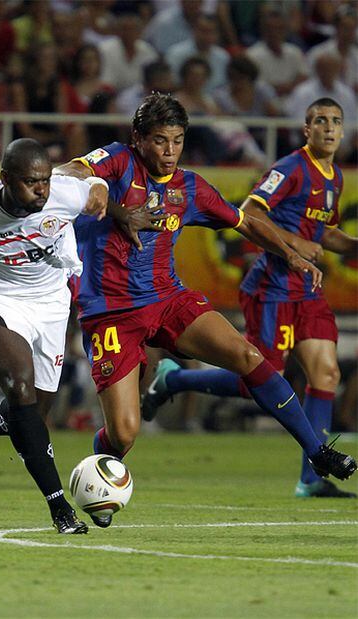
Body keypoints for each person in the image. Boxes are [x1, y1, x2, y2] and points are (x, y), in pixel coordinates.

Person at [54, 93, 356, 526]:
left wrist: (289, 254)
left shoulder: (188, 188)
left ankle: (317, 451)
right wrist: (106, 198)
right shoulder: (118, 162)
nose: (170, 151)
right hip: (110, 310)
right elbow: (66, 172)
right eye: (160, 141)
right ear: (138, 139)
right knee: (124, 433)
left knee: (249, 357)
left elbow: (245, 221)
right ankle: (98, 480)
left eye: (177, 141)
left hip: (167, 298)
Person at [142, 97, 357, 499]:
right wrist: (293, 244)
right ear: (306, 130)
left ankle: (311, 477)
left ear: (343, 131)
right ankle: (175, 378)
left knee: (326, 373)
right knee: (258, 379)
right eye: (320, 121)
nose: (329, 127)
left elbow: (323, 235)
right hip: (272, 286)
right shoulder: (292, 168)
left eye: (336, 121)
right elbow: (251, 210)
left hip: (306, 290)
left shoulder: (335, 179)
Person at [0, 137, 111, 533]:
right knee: (20, 387)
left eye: (45, 181)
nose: (41, 190)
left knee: (32, 416)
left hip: (52, 306)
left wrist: (100, 189)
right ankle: (59, 508)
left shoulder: (62, 194)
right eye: (31, 182)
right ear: (5, 179)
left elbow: (91, 182)